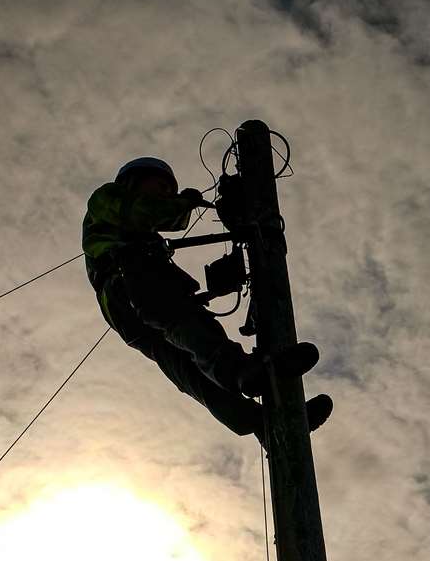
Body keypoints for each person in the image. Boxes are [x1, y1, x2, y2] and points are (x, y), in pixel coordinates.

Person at [82, 156, 331, 436]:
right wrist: (185, 202)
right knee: (185, 320)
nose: (167, 193)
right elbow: (149, 213)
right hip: (129, 282)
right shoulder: (108, 198)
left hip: (129, 306)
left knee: (188, 367)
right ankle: (241, 371)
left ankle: (268, 424)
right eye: (161, 185)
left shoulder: (137, 235)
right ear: (134, 180)